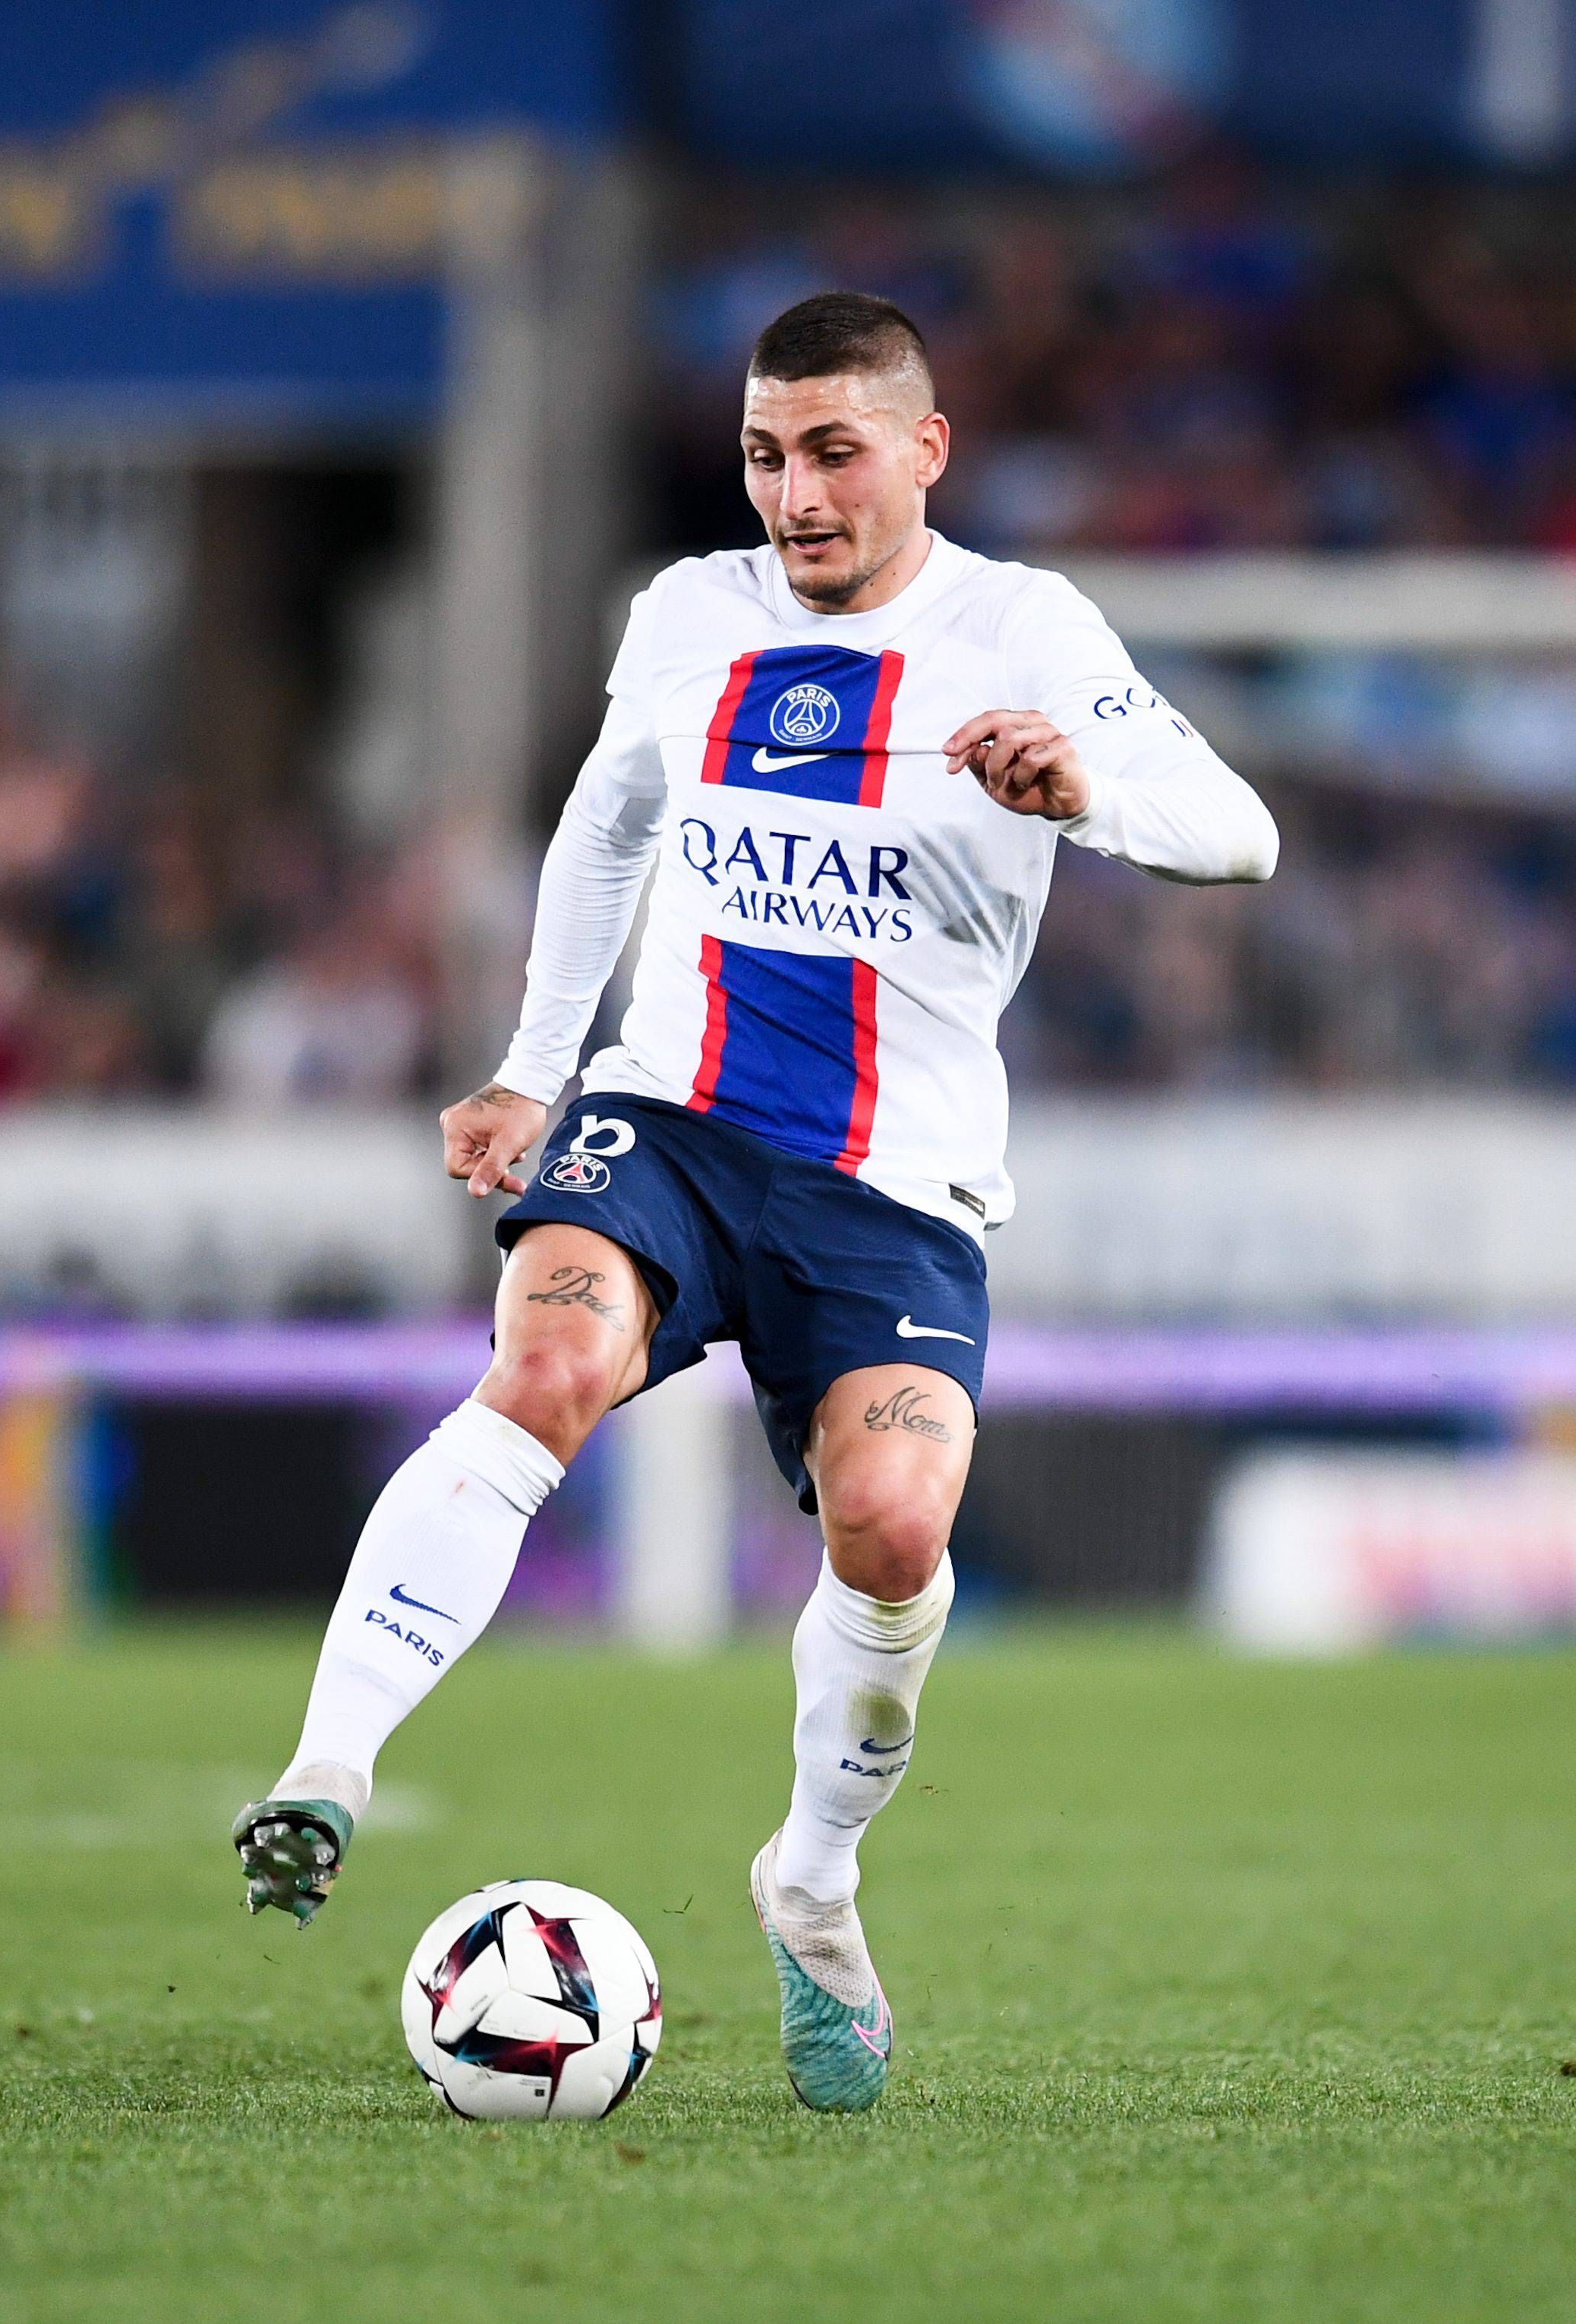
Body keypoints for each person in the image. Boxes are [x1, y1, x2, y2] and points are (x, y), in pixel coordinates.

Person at [235, 292, 1278, 2110]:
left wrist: (1086, 788)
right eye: (762, 455)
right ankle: (328, 1766)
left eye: (832, 453)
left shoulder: (1024, 628)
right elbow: (608, 824)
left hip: (891, 1184)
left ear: (924, 451)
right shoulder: (687, 613)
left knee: (891, 1522)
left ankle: (809, 1876)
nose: (794, 494)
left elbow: (1240, 832)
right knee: (545, 1365)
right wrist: (533, 1067)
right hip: (671, 1117)